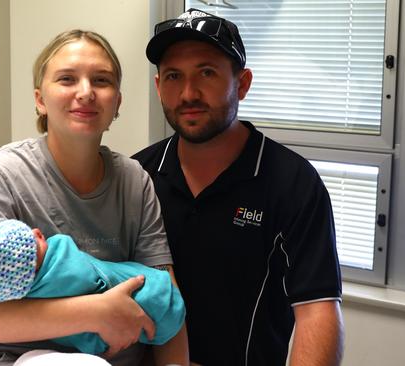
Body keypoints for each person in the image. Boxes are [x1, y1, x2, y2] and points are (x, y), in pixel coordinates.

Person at [0, 29, 189, 366]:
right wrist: (95, 313)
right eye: (67, 79)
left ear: (117, 103)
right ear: (40, 99)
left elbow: (168, 304)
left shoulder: (134, 182)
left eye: (101, 80)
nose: (85, 93)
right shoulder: (0, 176)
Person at [131, 8, 344, 366]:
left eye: (207, 73)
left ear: (241, 84)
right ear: (158, 87)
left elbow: (317, 311)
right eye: (172, 76)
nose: (188, 93)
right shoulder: (136, 176)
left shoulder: (292, 183)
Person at [0, 219, 186, 355]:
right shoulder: (65, 265)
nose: (37, 232)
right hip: (160, 302)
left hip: (161, 303)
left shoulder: (29, 300)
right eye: (34, 243)